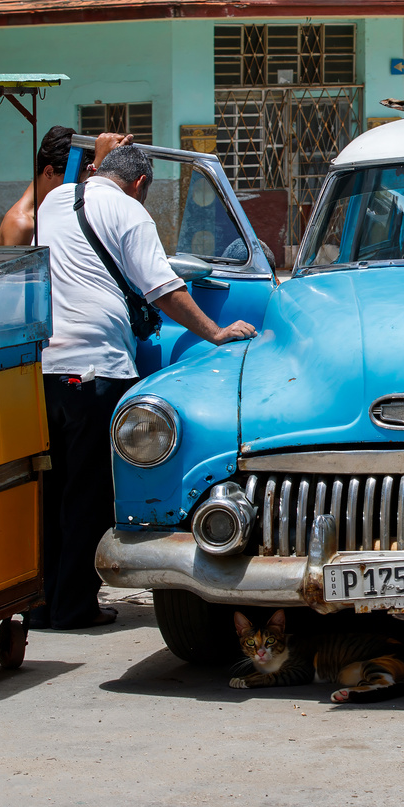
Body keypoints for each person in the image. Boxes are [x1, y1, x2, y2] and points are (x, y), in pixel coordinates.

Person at [31, 144, 257, 629]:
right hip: (98, 368)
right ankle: (72, 607)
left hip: (43, 366)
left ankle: (40, 600)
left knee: (48, 491)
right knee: (89, 493)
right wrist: (215, 333)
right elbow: (164, 289)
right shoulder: (131, 212)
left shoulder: (54, 201)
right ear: (138, 185)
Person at [0, 128, 134, 247]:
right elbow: (16, 276)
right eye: (73, 179)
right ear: (49, 172)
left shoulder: (46, 210)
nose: (76, 187)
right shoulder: (22, 224)